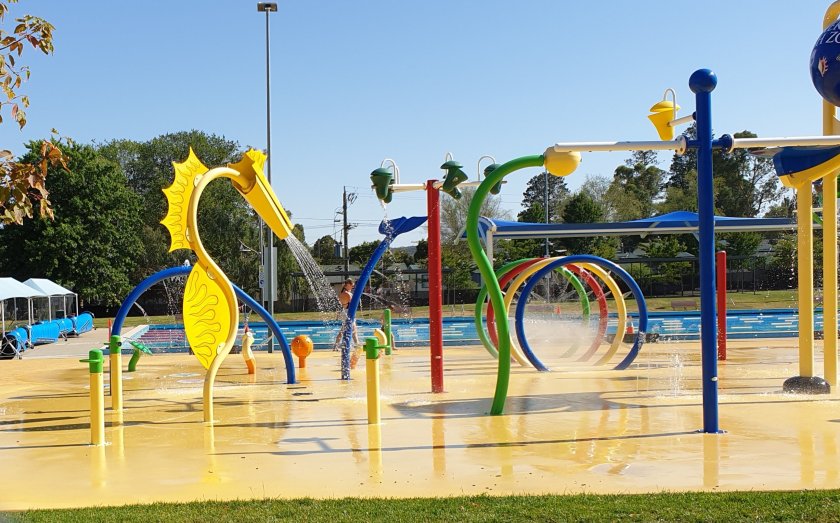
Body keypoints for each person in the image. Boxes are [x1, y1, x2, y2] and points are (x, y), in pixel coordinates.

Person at [333, 278, 360, 351]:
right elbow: (352, 303)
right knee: (352, 330)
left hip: (348, 312)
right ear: (347, 285)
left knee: (347, 330)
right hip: (347, 313)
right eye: (351, 285)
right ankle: (357, 346)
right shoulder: (345, 294)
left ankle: (336, 346)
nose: (352, 286)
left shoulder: (346, 293)